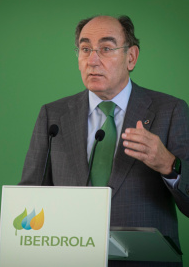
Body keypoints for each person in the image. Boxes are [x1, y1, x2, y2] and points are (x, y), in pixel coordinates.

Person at [19, 15, 189, 266]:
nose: (92, 60)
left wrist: (169, 164)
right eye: (85, 49)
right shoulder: (52, 116)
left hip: (145, 260)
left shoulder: (170, 110)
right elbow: (30, 195)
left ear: (131, 57)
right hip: (70, 258)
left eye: (106, 49)